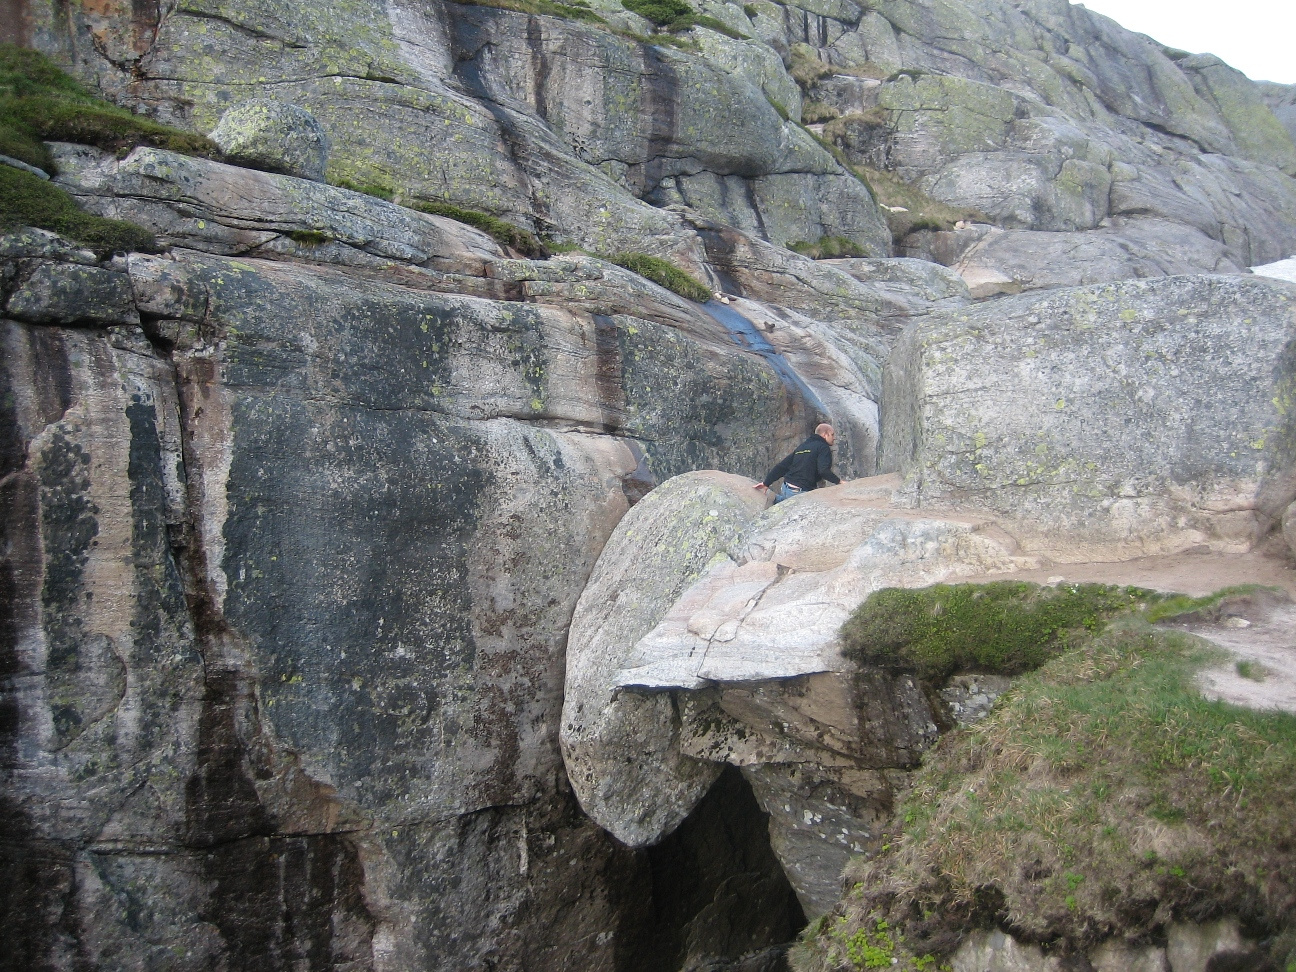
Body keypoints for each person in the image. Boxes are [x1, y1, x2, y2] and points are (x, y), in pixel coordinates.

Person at [754, 423, 841, 504]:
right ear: (825, 435)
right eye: (832, 434)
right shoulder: (823, 447)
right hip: (799, 492)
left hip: (786, 488)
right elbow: (823, 471)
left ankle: (780, 500)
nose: (834, 438)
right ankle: (783, 501)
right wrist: (839, 482)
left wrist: (766, 483)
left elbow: (782, 466)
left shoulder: (803, 446)